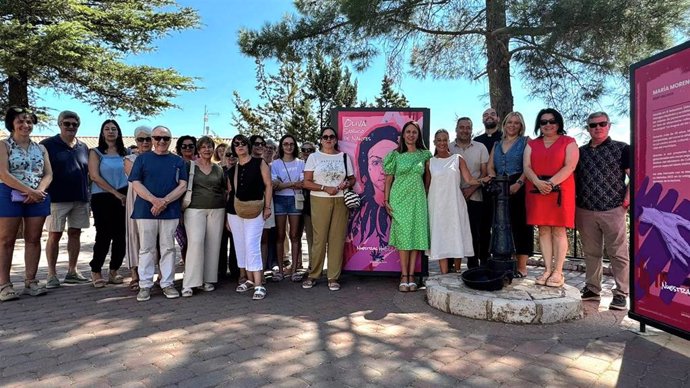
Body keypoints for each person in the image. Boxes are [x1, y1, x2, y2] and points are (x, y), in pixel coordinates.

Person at [576, 112, 630, 310]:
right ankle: (592, 288)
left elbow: (633, 175)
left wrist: (628, 198)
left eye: (602, 124)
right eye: (592, 125)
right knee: (591, 252)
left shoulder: (622, 148)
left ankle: (621, 292)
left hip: (613, 209)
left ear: (609, 125)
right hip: (585, 209)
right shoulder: (580, 152)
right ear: (588, 128)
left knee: (618, 252)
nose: (597, 128)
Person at [129, 126, 188, 301]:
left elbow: (183, 185)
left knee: (168, 248)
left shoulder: (177, 161)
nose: (161, 141)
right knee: (146, 248)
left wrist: (164, 202)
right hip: (145, 211)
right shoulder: (142, 159)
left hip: (170, 211)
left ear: (170, 140)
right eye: (157, 137)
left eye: (166, 138)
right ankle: (145, 285)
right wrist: (154, 201)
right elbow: (136, 183)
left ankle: (167, 283)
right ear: (153, 139)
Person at [0, 107, 52, 300]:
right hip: (9, 193)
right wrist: (28, 191)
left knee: (34, 238)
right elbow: (3, 173)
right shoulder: (4, 145)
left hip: (37, 195)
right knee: (6, 240)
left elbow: (48, 173)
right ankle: (4, 285)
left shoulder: (41, 148)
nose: (26, 125)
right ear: (12, 124)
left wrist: (38, 191)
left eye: (29, 121)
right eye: (21, 121)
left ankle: (31, 281)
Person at [524, 108, 579, 287]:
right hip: (537, 190)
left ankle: (558, 272)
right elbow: (527, 167)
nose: (548, 124)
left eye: (552, 121)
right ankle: (547, 269)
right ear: (539, 125)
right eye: (543, 122)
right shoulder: (532, 144)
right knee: (543, 230)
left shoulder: (568, 142)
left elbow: (570, 166)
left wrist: (550, 184)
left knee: (558, 230)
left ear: (558, 123)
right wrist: (538, 183)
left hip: (560, 191)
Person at [41, 110, 91, 288]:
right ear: (59, 124)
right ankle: (51, 274)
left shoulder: (84, 147)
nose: (71, 127)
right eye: (67, 124)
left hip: (80, 197)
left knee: (75, 233)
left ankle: (72, 271)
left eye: (74, 124)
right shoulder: (46, 145)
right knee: (54, 234)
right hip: (56, 198)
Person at [302, 127, 355, 291]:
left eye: (332, 136)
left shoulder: (344, 157)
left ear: (336, 139)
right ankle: (314, 274)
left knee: (337, 239)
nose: (328, 139)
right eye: (325, 136)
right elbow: (307, 182)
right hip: (319, 200)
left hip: (340, 200)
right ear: (320, 139)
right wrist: (325, 187)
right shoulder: (314, 157)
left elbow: (352, 179)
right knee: (319, 239)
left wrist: (347, 183)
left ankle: (333, 277)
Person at [383, 121, 432, 292]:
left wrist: (426, 194)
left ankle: (412, 276)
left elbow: (428, 179)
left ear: (418, 136)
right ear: (403, 135)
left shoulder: (424, 155)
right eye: (408, 132)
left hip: (418, 199)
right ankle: (404, 276)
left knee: (416, 236)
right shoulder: (394, 155)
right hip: (399, 199)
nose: (411, 135)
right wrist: (386, 200)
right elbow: (388, 179)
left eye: (414, 132)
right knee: (404, 237)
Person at [487, 112, 534, 277]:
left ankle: (522, 267)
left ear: (521, 126)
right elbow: (490, 166)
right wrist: (494, 179)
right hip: (500, 186)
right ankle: (507, 262)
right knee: (503, 224)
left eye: (516, 123)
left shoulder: (526, 142)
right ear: (504, 124)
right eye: (510, 122)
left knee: (521, 225)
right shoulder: (497, 145)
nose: (512, 125)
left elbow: (529, 166)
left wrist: (519, 183)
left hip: (519, 184)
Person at [426, 129, 480, 274]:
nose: (442, 143)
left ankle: (457, 271)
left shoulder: (457, 158)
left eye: (445, 139)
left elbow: (469, 179)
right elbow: (427, 186)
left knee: (456, 233)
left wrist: (483, 180)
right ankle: (443, 274)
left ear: (448, 140)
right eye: (439, 140)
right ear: (434, 142)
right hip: (436, 205)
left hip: (454, 203)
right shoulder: (430, 162)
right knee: (440, 235)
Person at [226, 134, 273, 300]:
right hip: (234, 212)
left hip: (255, 210)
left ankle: (259, 284)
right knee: (240, 247)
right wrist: (227, 217)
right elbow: (230, 194)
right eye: (236, 144)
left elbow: (268, 185)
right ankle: (248, 279)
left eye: (243, 143)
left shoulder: (260, 163)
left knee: (252, 245)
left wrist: (267, 207)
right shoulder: (232, 170)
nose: (240, 146)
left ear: (248, 146)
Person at [346, 125, 399, 267]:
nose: (384, 170)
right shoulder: (358, 212)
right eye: (376, 162)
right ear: (366, 167)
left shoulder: (406, 207)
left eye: (391, 161)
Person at [181, 136, 226, 297]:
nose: (207, 150)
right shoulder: (189, 166)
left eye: (210, 147)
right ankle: (190, 283)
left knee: (213, 244)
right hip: (194, 209)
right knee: (195, 242)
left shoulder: (218, 169)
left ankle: (208, 279)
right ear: (198, 150)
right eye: (204, 147)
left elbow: (223, 189)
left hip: (217, 209)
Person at [87, 119, 129, 287]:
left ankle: (114, 270)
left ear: (118, 132)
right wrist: (115, 193)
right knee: (104, 235)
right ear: (102, 132)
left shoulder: (125, 153)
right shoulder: (95, 152)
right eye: (107, 129)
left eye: (114, 128)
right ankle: (96, 270)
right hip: (103, 197)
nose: (110, 131)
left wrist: (123, 195)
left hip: (124, 197)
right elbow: (94, 176)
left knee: (121, 236)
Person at [449, 117, 489, 270]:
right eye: (462, 127)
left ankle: (473, 265)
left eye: (468, 127)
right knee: (453, 230)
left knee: (474, 232)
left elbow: (484, 173)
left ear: (471, 130)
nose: (465, 130)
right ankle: (452, 265)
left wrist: (471, 189)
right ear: (456, 129)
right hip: (453, 197)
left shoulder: (481, 148)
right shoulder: (448, 148)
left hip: (475, 196)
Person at [271, 134, 305, 281]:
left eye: (291, 144)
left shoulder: (301, 163)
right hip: (279, 200)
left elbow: (302, 183)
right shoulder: (275, 164)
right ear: (281, 146)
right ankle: (280, 269)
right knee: (279, 236)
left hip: (295, 200)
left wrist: (283, 184)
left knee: (295, 235)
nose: (289, 146)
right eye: (285, 144)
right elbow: (274, 186)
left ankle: (294, 270)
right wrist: (292, 183)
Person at [124, 126, 152, 291]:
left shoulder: (160, 157)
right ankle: (135, 273)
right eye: (141, 139)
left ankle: (156, 273)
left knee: (154, 237)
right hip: (136, 198)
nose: (145, 142)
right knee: (134, 234)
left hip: (156, 199)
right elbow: (136, 177)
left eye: (148, 139)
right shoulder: (129, 159)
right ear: (136, 141)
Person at [299, 142, 316, 267]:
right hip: (298, 204)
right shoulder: (298, 165)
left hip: (313, 204)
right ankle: (300, 264)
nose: (306, 152)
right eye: (304, 149)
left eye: (309, 150)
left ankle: (313, 265)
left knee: (313, 237)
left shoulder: (318, 165)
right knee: (296, 236)